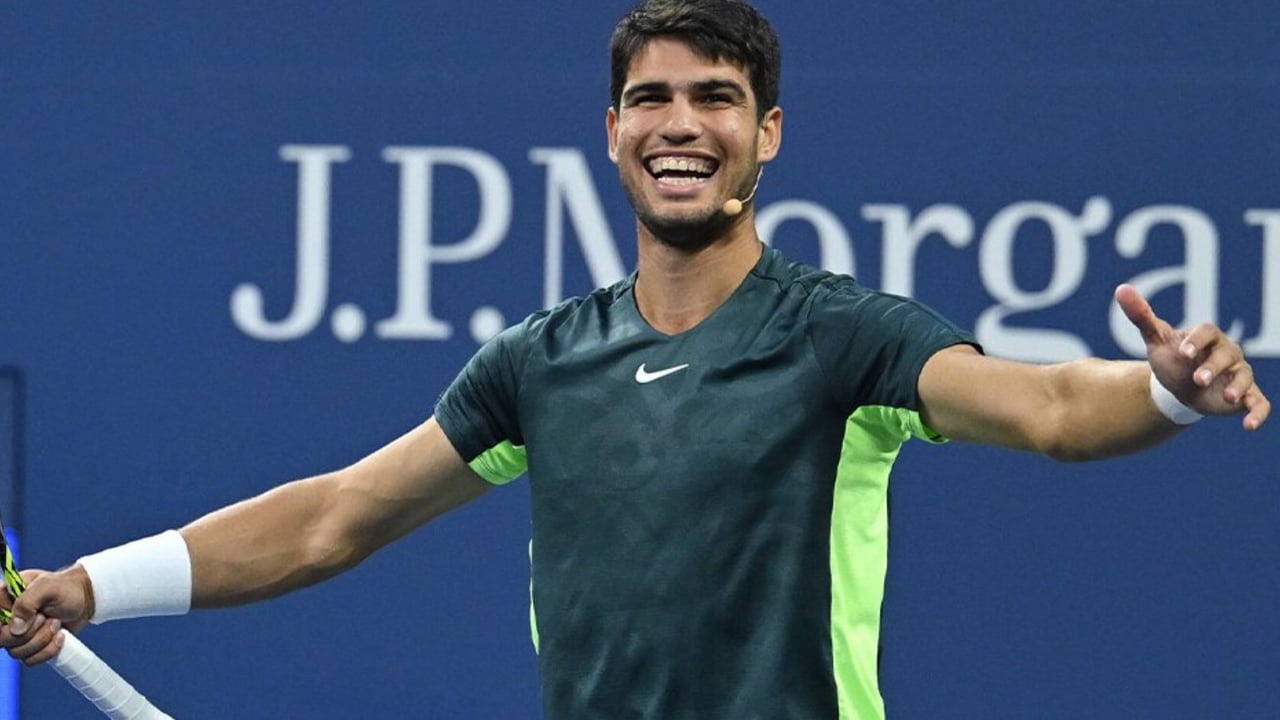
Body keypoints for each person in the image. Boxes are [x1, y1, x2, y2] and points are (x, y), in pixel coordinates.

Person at [2, 1, 1270, 718]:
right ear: (612, 133)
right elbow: (332, 518)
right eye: (653, 99)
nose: (681, 123)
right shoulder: (539, 364)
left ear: (766, 135)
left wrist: (1162, 391)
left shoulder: (840, 336)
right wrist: (92, 586)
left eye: (716, 97)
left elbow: (1048, 406)